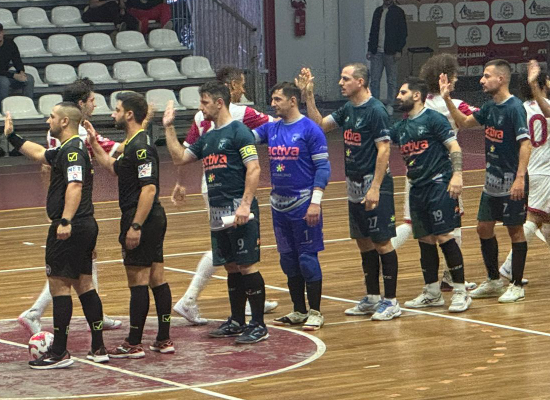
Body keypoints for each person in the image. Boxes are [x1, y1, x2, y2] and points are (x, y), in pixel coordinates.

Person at [171, 66, 278, 325]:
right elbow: (277, 124)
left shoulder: (201, 117)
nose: (243, 90)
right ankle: (191, 298)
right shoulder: (242, 114)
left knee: (230, 252)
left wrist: (180, 183)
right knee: (229, 250)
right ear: (230, 88)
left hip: (212, 185)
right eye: (240, 85)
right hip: (224, 188)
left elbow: (185, 151)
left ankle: (247, 304)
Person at [5, 104, 108, 369]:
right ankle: (98, 348)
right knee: (84, 284)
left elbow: (75, 185)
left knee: (59, 285)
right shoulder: (67, 148)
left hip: (70, 226)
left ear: (64, 122)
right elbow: (39, 154)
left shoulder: (72, 151)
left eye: (51, 117)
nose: (47, 120)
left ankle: (60, 351)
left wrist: (65, 220)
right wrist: (12, 136)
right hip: (84, 224)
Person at [296, 64, 401, 321]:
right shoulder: (348, 109)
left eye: (345, 79)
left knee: (382, 242)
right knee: (363, 240)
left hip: (373, 185)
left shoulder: (375, 110)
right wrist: (308, 95)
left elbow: (384, 150)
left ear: (360, 82)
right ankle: (372, 297)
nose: (340, 83)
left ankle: (391, 301)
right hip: (353, 185)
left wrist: (375, 187)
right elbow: (320, 125)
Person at [18, 78, 122, 335]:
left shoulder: (63, 133)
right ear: (80, 104)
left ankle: (95, 317)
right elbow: (114, 149)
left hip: (69, 205)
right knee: (65, 274)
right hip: (74, 210)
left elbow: (45, 161)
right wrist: (141, 130)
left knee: (81, 264)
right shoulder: (79, 136)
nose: (95, 105)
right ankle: (36, 313)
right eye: (92, 101)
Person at [87, 91, 174, 358]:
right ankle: (163, 339)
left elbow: (149, 189)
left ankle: (133, 342)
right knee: (157, 278)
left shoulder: (141, 147)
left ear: (129, 114)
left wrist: (135, 226)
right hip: (151, 218)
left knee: (138, 280)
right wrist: (93, 142)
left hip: (141, 216)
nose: (112, 114)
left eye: (117, 110)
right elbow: (113, 167)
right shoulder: (134, 144)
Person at [441, 59, 531, 303]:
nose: (482, 80)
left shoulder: (514, 108)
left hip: (512, 181)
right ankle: (493, 281)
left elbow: (525, 144)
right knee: (483, 227)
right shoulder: (490, 107)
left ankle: (516, 285)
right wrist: (447, 99)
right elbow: (464, 123)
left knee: (515, 230)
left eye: (487, 76)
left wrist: (519, 179)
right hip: (491, 183)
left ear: (501, 79)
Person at [389, 53, 477, 292]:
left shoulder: (417, 104)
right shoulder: (455, 104)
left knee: (415, 225)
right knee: (451, 227)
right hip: (444, 174)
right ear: (445, 77)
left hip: (415, 173)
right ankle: (451, 278)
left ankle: (386, 255)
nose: (456, 80)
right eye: (455, 75)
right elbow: (480, 116)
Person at [253, 82, 330, 330]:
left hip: (304, 204)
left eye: (277, 99)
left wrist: (315, 203)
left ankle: (315, 312)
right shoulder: (271, 129)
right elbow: (245, 138)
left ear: (293, 100)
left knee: (307, 258)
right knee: (288, 260)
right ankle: (298, 310)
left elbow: (323, 167)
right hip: (279, 206)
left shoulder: (310, 129)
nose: (272, 104)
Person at [498, 60, 550, 280]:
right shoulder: (547, 105)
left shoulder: (519, 109)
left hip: (528, 171)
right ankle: (508, 268)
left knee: (545, 221)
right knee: (534, 219)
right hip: (546, 172)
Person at [367, 0, 407, 115]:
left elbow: (403, 32)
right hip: (376, 52)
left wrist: (399, 50)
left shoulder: (398, 12)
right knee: (374, 80)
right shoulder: (377, 11)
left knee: (391, 81)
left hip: (391, 52)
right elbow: (373, 31)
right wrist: (370, 48)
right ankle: (375, 105)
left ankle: (390, 104)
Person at [0, 23, 34, 105]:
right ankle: (3, 108)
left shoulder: (10, 43)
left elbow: (17, 60)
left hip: (5, 74)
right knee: (4, 82)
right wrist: (14, 76)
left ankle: (27, 105)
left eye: (0, 32)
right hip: (4, 75)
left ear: (3, 32)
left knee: (29, 79)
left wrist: (21, 72)